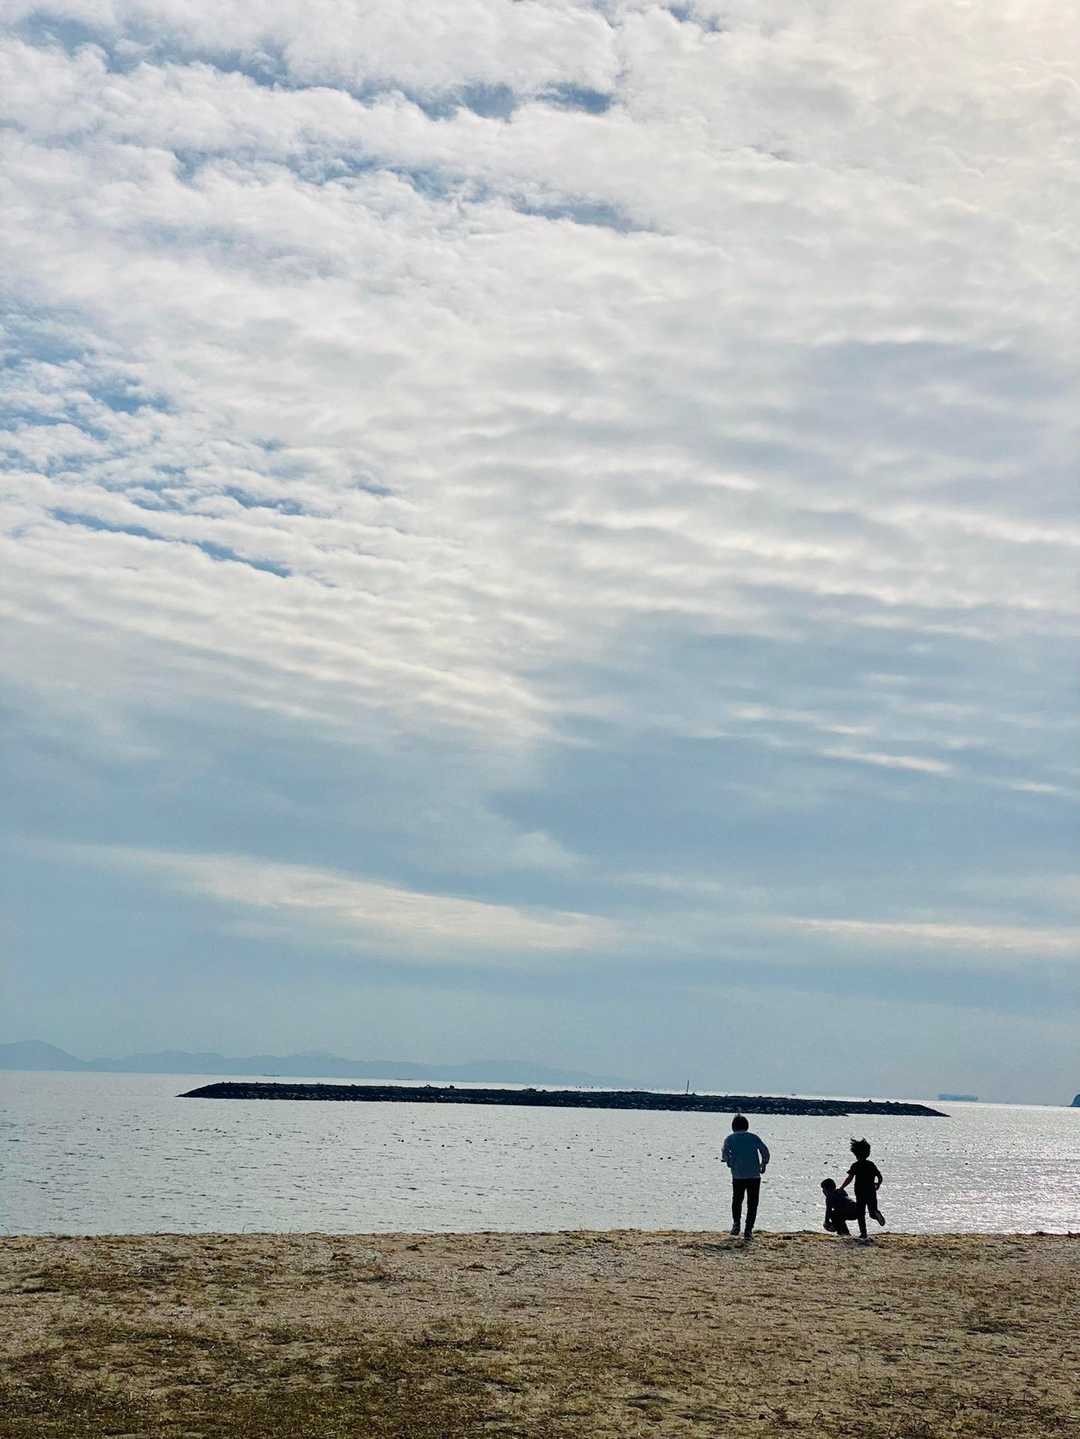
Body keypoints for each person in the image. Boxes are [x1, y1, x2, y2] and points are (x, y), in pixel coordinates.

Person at [721, 1114, 769, 1241]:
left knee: (737, 1200)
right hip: (754, 1175)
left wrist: (729, 1162)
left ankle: (736, 1224)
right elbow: (765, 1151)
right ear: (747, 1126)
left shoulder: (730, 1139)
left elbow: (725, 1154)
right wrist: (764, 1163)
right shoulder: (753, 1137)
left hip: (738, 1175)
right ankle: (748, 1230)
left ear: (733, 1127)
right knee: (752, 1203)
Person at [839, 1137, 886, 1240]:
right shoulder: (871, 1164)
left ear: (855, 1154)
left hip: (860, 1192)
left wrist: (842, 1187)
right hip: (871, 1191)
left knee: (861, 1213)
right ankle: (876, 1214)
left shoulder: (855, 1165)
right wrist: (878, 1184)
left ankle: (863, 1233)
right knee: (872, 1212)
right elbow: (879, 1176)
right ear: (868, 1153)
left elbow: (849, 1178)